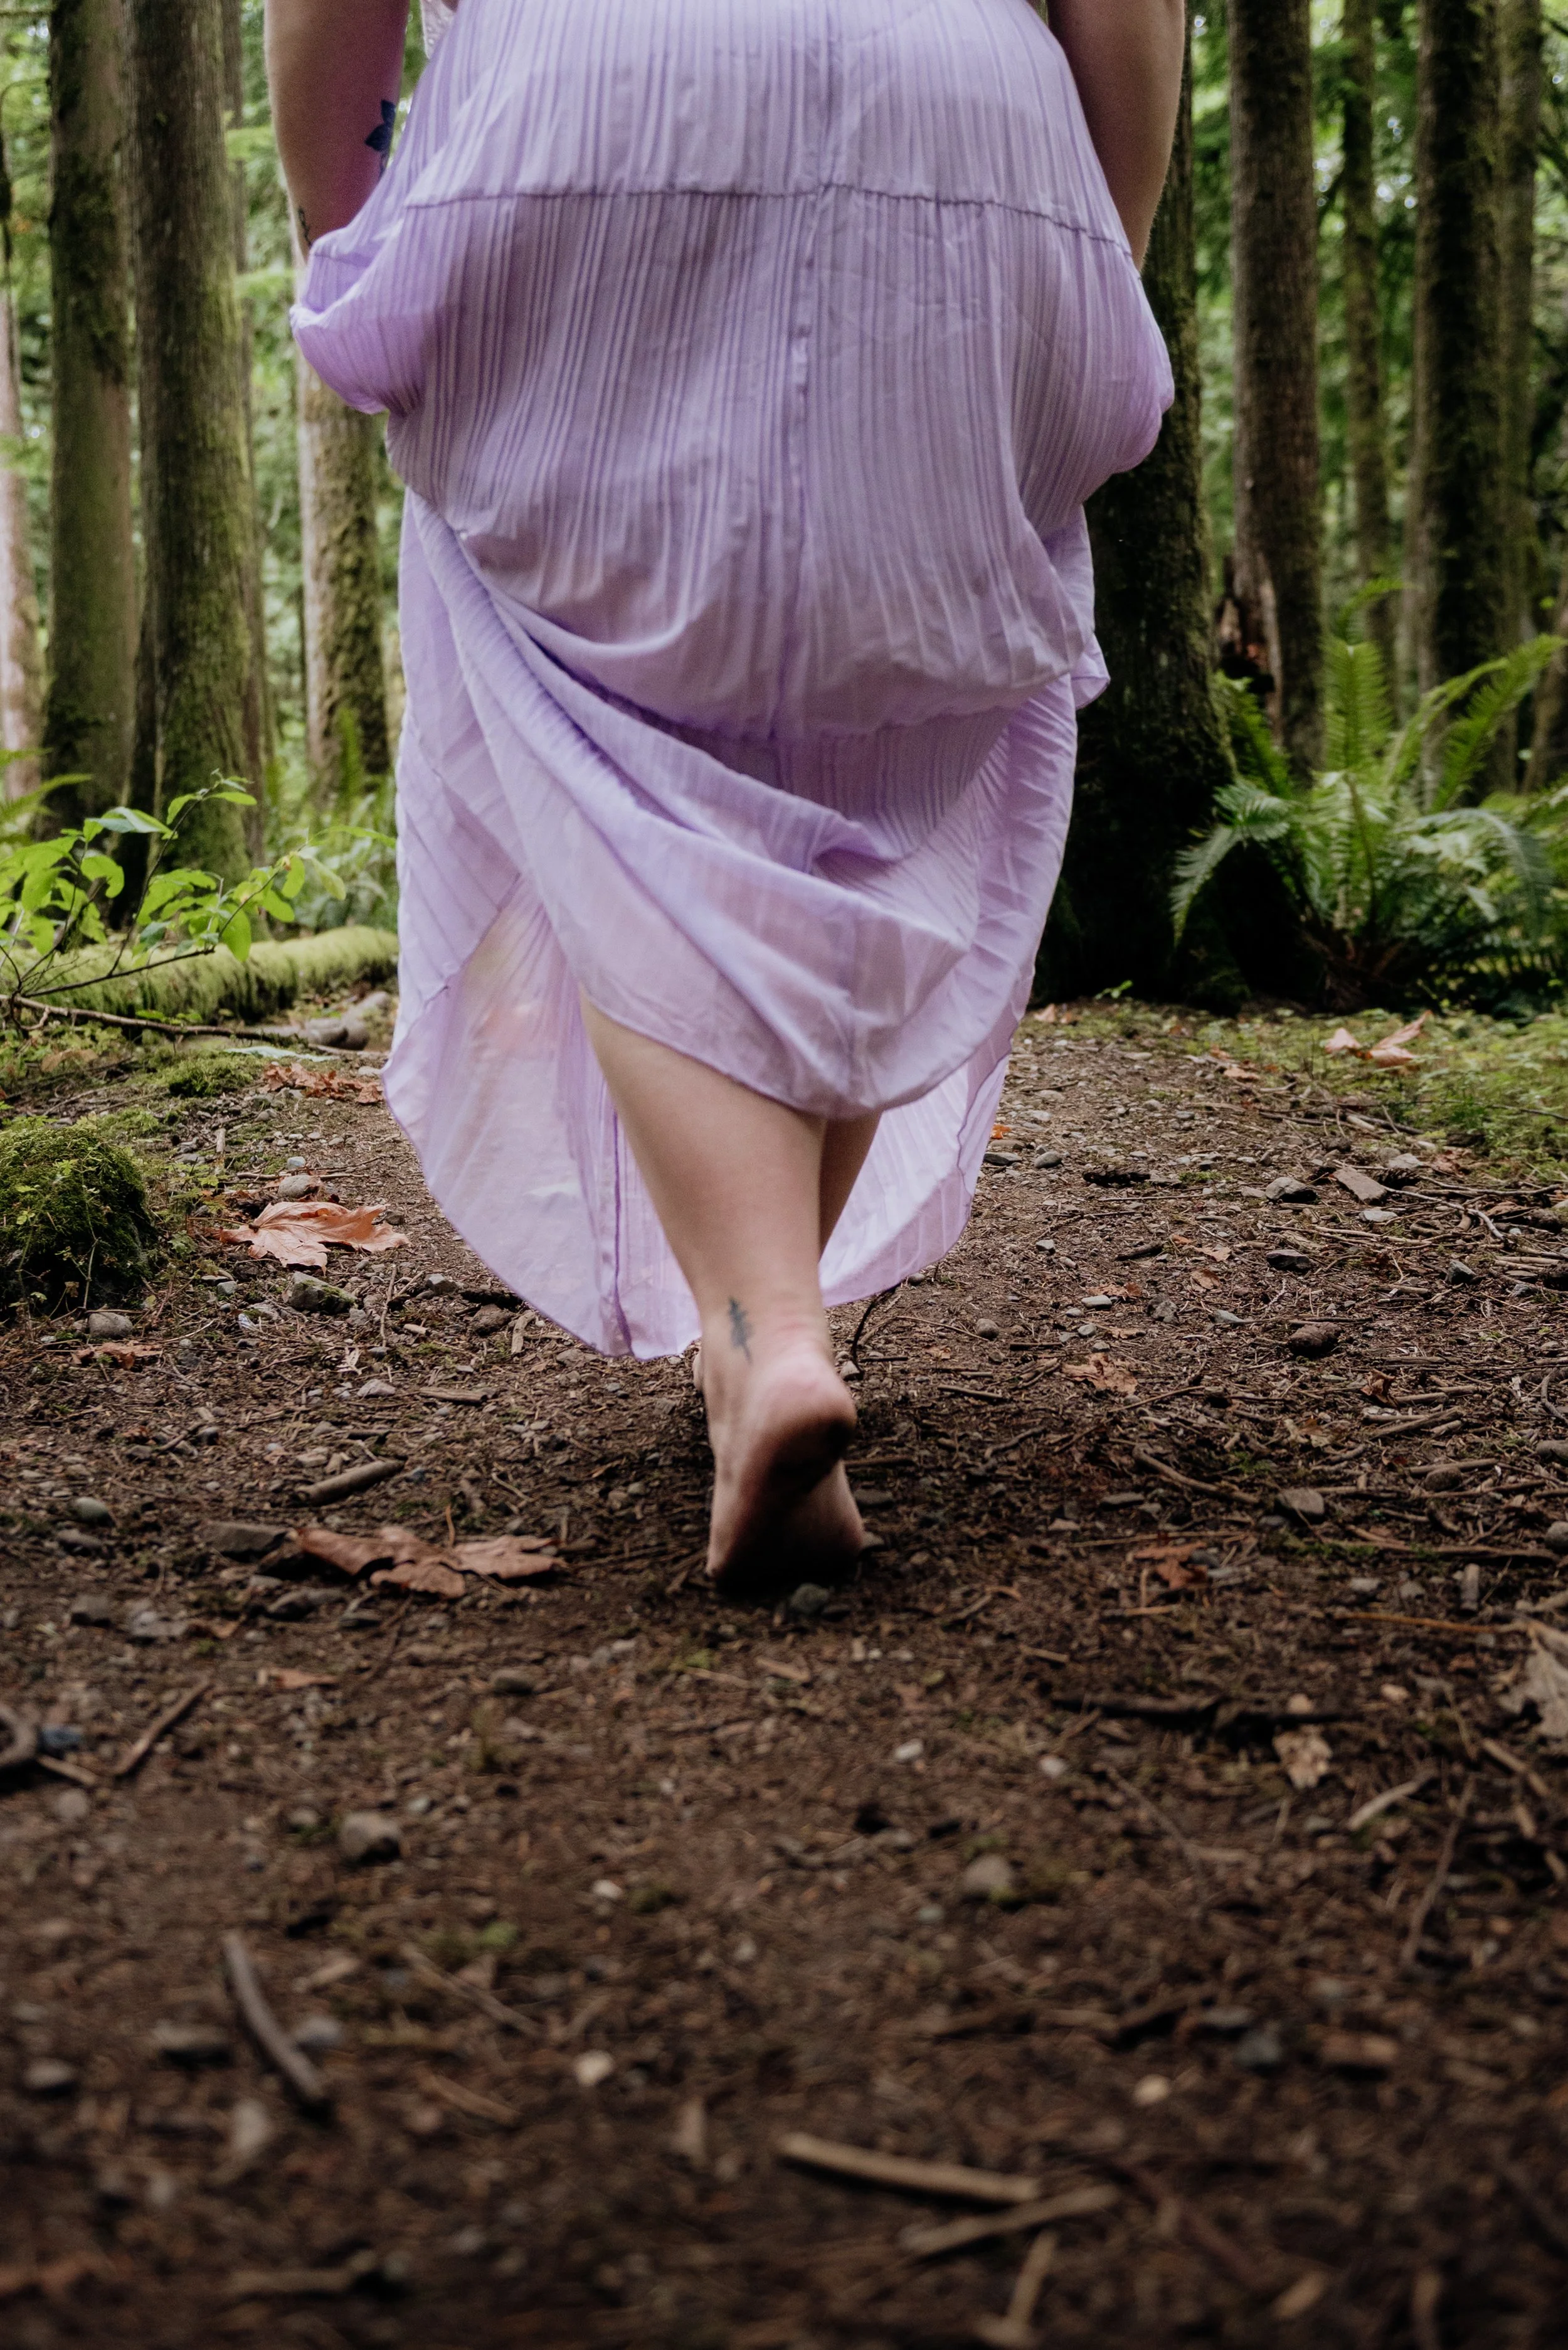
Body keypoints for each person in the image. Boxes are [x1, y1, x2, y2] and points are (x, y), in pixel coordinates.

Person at [266, 0, 1185, 1595]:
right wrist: (1089, 229)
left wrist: (347, 207)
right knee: (882, 742)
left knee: (611, 742)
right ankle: (755, 1337)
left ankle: (764, 1345)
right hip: (964, 123)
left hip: (587, 110)